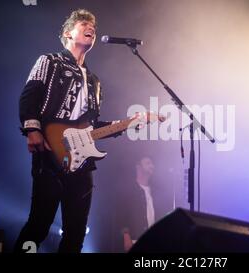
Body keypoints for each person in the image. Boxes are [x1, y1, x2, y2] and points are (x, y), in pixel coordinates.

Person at [14, 9, 114, 253]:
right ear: (68, 33)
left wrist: (125, 125)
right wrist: (32, 129)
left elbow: (91, 125)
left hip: (82, 162)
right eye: (84, 24)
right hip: (50, 153)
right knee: (39, 225)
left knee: (76, 231)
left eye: (94, 26)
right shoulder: (49, 61)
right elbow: (30, 96)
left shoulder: (95, 81)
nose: (92, 28)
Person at [115, 156, 172, 252]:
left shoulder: (155, 190)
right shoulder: (129, 190)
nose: (152, 166)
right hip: (135, 240)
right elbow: (121, 215)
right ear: (138, 167)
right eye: (148, 163)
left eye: (152, 163)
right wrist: (126, 236)